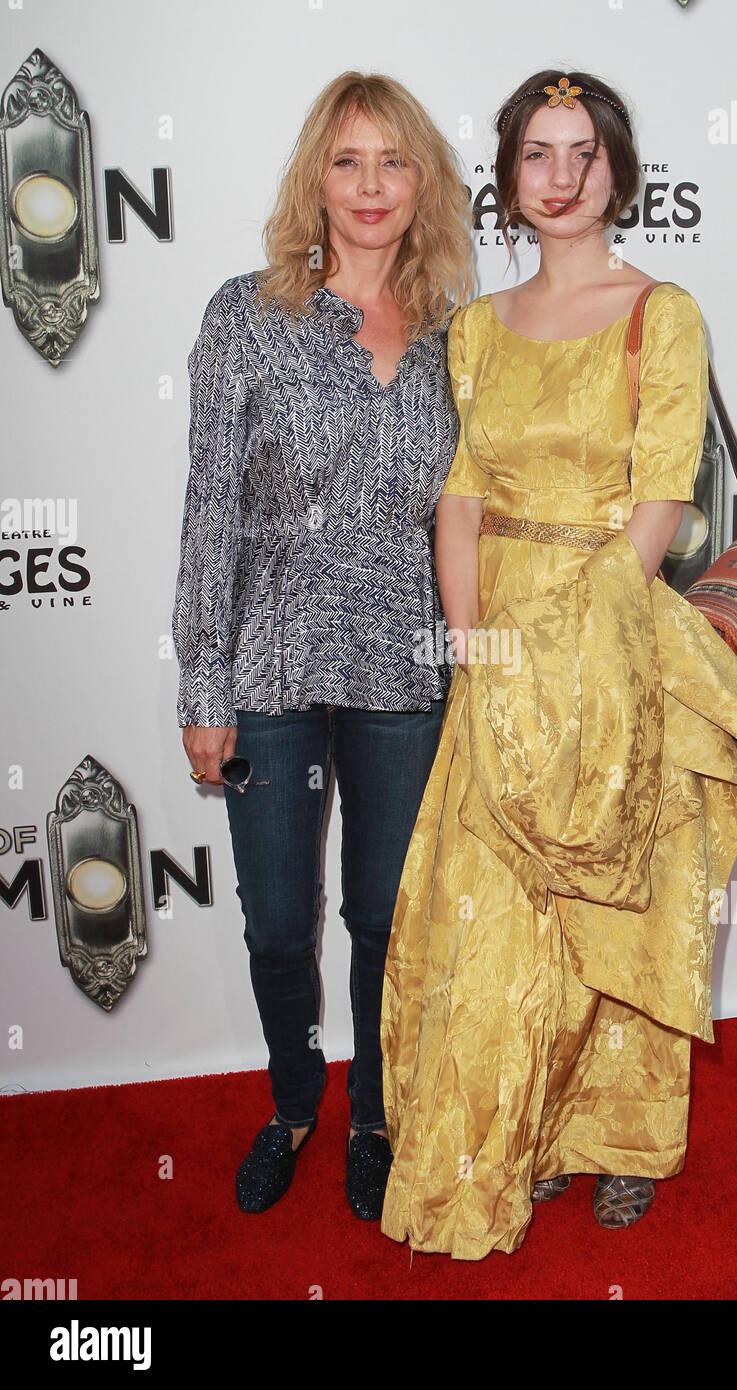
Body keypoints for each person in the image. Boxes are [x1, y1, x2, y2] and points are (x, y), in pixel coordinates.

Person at [379, 69, 737, 1259]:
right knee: (505, 907)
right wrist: (476, 647)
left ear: (616, 171)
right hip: (499, 637)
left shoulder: (660, 311)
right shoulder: (474, 328)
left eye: (582, 154)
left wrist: (583, 646)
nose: (559, 179)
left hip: (609, 635)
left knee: (620, 887)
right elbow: (460, 494)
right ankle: (525, 1127)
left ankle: (622, 1138)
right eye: (536, 156)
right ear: (506, 180)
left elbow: (662, 489)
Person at [172, 72, 473, 1218]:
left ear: (423, 183)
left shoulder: (459, 335)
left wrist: (480, 661)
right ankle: (295, 1099)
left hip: (405, 674)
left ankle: (378, 1114)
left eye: (392, 162)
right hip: (271, 669)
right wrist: (203, 682)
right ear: (315, 177)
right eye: (347, 161)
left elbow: (467, 514)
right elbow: (208, 510)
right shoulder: (245, 315)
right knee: (280, 921)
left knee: (389, 919)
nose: (369, 186)